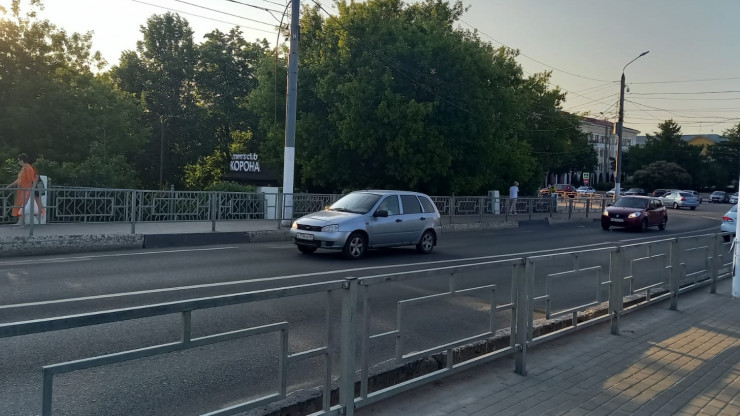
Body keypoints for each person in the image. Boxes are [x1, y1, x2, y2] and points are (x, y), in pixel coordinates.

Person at [5, 153, 45, 225]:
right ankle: (22, 221)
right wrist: (10, 185)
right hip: (21, 190)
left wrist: (30, 190)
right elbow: (19, 180)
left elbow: (31, 180)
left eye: (18, 160)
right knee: (22, 205)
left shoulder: (29, 168)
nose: (18, 162)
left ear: (22, 160)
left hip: (26, 190)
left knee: (23, 205)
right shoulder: (23, 168)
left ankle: (21, 221)